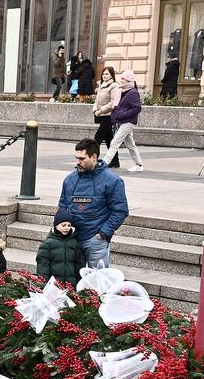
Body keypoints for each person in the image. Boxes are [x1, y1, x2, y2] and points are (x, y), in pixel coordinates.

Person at [54, 138, 128, 270]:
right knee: (73, 278)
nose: (78, 162)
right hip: (72, 238)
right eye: (76, 158)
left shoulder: (112, 180)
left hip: (96, 239)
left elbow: (120, 211)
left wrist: (103, 233)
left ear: (94, 157)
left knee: (98, 281)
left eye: (82, 159)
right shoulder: (70, 180)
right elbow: (63, 207)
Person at [106, 70, 145, 171]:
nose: (121, 80)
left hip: (128, 121)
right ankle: (139, 164)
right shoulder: (122, 91)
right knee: (130, 144)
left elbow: (137, 108)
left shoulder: (132, 92)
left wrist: (123, 115)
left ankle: (105, 163)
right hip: (123, 120)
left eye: (123, 78)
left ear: (128, 80)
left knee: (115, 142)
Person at [92, 66, 118, 160]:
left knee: (98, 137)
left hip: (109, 116)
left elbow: (113, 102)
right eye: (103, 74)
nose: (104, 76)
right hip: (101, 114)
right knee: (109, 139)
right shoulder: (101, 86)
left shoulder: (114, 85)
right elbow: (96, 100)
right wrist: (95, 110)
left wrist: (101, 110)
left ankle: (91, 158)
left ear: (112, 75)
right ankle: (115, 161)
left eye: (107, 74)